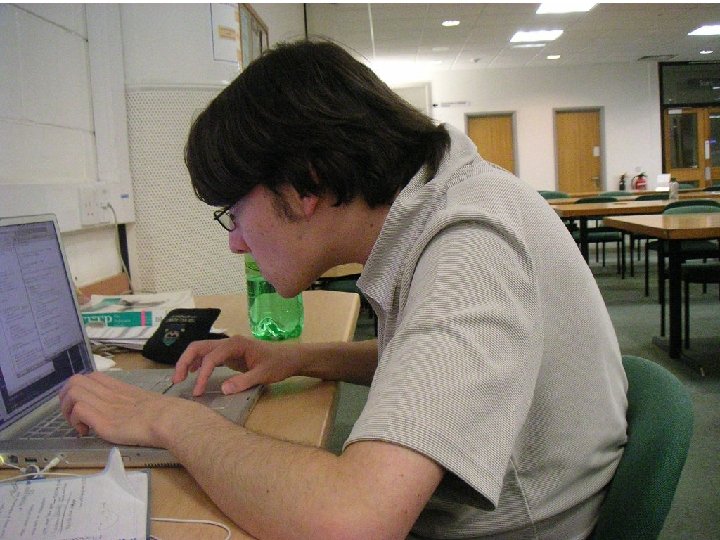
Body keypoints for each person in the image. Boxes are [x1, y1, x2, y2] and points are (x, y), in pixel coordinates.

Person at [60, 40, 628, 539]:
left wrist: (166, 419)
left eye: (234, 212)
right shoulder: (447, 201)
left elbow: (353, 522)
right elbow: (429, 359)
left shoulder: (471, 247)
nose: (236, 242)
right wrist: (297, 358)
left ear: (304, 184)